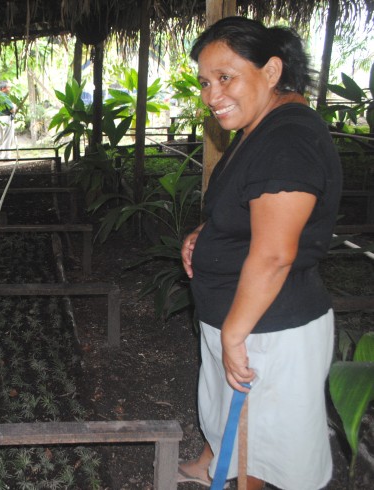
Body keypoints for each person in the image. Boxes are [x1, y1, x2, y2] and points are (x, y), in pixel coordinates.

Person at [179, 17, 342, 490]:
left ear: (271, 71)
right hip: (244, 317)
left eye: (225, 78)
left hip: (265, 327)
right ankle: (212, 465)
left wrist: (235, 333)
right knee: (231, 422)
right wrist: (206, 232)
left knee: (257, 446)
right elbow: (254, 207)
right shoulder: (262, 128)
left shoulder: (288, 140)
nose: (211, 96)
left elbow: (274, 254)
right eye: (205, 82)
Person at [0, 80, 17, 159]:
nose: (9, 89)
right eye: (8, 87)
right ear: (3, 88)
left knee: (0, 137)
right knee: (7, 137)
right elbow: (12, 110)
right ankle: (6, 156)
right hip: (6, 118)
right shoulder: (5, 97)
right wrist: (14, 106)